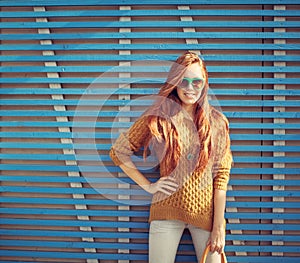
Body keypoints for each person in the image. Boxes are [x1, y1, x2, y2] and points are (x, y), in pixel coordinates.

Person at [109, 51, 233, 263]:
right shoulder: (159, 116)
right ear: (175, 82)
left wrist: (218, 225)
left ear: (204, 84)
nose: (190, 88)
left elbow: (221, 174)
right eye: (183, 81)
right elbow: (118, 151)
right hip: (166, 212)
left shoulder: (217, 122)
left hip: (205, 215)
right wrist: (149, 186)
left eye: (197, 82)